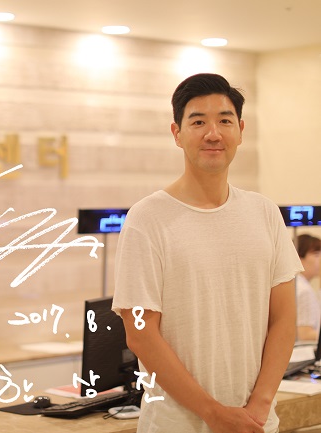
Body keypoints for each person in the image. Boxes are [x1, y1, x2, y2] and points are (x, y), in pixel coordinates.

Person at [112, 73, 303, 433]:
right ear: (177, 133)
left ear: (240, 131)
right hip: (175, 425)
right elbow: (140, 333)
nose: (213, 133)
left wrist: (260, 405)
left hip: (257, 423)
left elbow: (283, 320)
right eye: (198, 122)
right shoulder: (147, 218)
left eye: (224, 121)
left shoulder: (264, 212)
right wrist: (213, 412)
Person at [295, 234, 321, 342]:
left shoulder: (297, 284)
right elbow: (305, 334)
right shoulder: (303, 290)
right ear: (299, 257)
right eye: (316, 255)